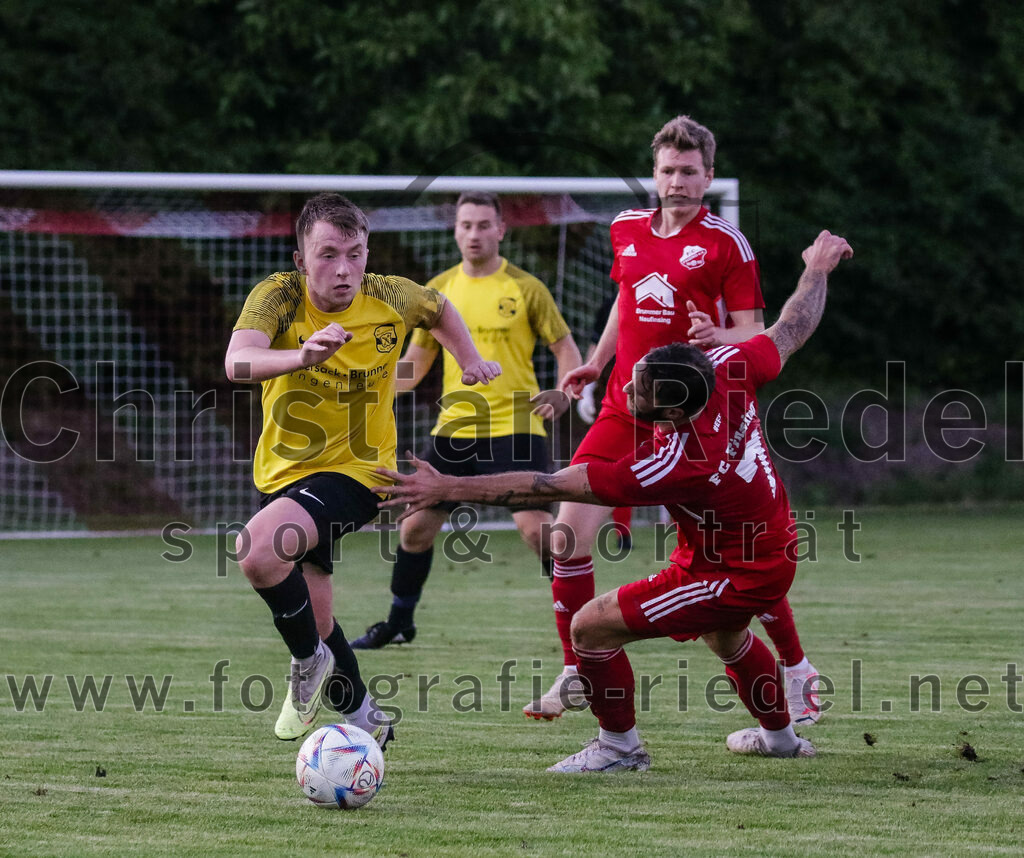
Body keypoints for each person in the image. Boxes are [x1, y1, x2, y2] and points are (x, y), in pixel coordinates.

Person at [375, 229, 853, 771]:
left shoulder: (676, 462)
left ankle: (619, 747)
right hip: (751, 549)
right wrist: (816, 268)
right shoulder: (728, 366)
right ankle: (782, 739)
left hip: (737, 571)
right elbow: (792, 327)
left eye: (638, 393)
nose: (625, 392)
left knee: (590, 626)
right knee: (727, 636)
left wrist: (446, 488)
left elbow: (549, 485)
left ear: (671, 415)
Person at [540, 114, 820, 724]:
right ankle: (573, 668)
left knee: (735, 546)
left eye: (690, 172)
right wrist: (594, 361)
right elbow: (626, 297)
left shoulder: (727, 243)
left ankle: (796, 666)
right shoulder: (626, 229)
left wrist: (714, 335)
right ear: (655, 173)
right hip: (624, 407)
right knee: (566, 537)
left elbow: (754, 332)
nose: (677, 181)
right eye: (667, 170)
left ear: (709, 176)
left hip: (694, 420)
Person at [224, 192, 501, 744]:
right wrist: (303, 355)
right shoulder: (277, 296)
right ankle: (365, 719)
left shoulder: (389, 295)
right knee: (318, 621)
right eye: (327, 255)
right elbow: (237, 361)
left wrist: (468, 360)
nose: (344, 269)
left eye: (355, 253)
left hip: (361, 471)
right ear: (301, 259)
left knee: (257, 552)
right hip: (283, 477)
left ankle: (308, 665)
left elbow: (441, 309)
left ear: (368, 253)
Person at [350, 191, 582, 649]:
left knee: (536, 531)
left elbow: (565, 349)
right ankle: (399, 622)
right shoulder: (438, 292)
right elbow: (414, 366)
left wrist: (564, 391)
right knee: (414, 528)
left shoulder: (525, 288)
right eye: (465, 225)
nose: (474, 234)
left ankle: (578, 614)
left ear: (501, 230)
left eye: (483, 225)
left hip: (517, 425)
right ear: (455, 232)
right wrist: (362, 383)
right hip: (455, 429)